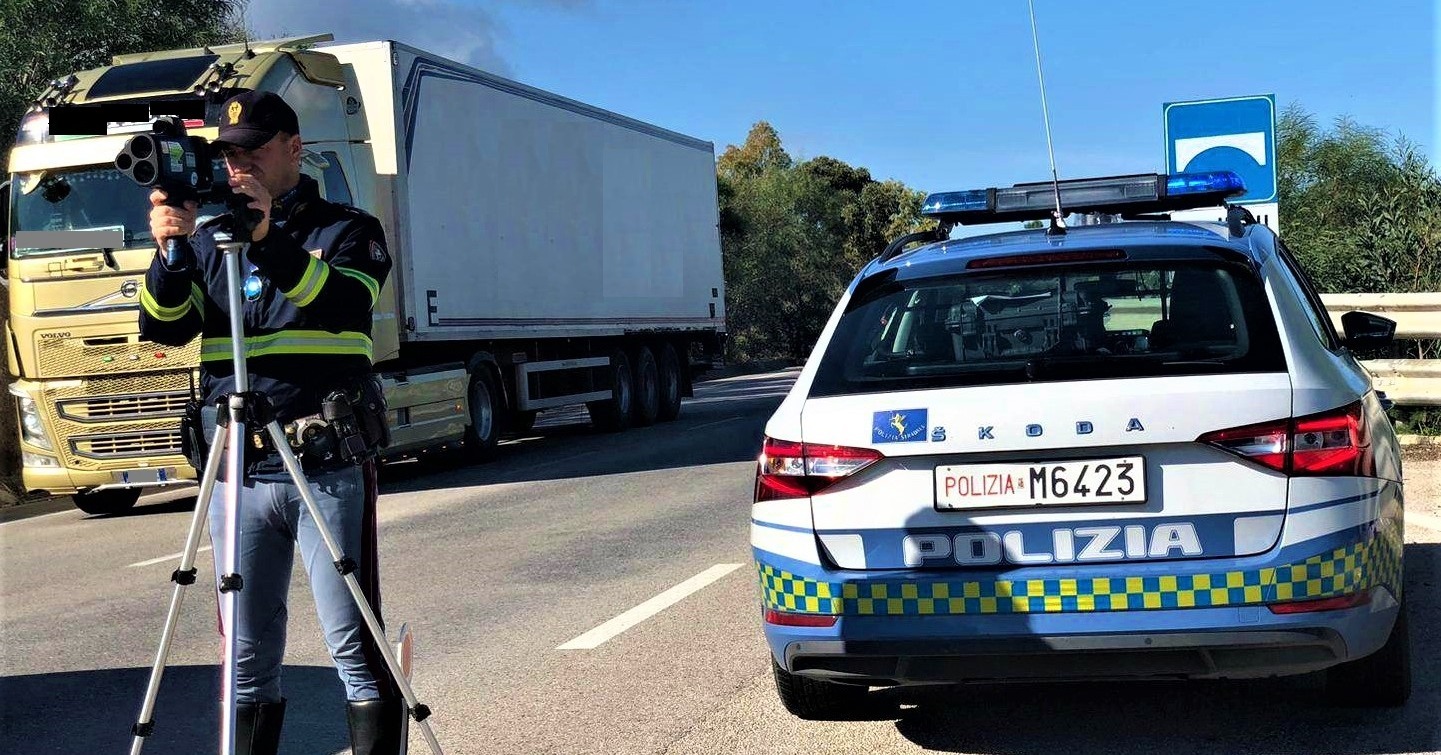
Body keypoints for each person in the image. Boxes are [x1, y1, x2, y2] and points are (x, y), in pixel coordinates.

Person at [139, 90, 402, 755]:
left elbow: (342, 304)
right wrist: (171, 252)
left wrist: (268, 240)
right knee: (247, 658)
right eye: (228, 153)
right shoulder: (208, 240)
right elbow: (166, 329)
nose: (238, 166)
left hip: (322, 461)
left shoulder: (347, 228)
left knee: (353, 642)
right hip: (236, 469)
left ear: (293, 149)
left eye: (252, 150)